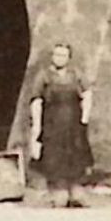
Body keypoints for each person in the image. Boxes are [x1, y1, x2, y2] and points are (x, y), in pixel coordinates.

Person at [27, 43, 94, 208]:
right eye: (56, 55)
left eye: (63, 55)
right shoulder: (44, 76)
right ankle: (58, 191)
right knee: (54, 157)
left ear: (69, 58)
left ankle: (75, 191)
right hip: (52, 125)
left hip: (73, 125)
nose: (59, 58)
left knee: (75, 156)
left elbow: (87, 94)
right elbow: (36, 100)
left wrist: (84, 119)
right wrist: (37, 125)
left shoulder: (75, 75)